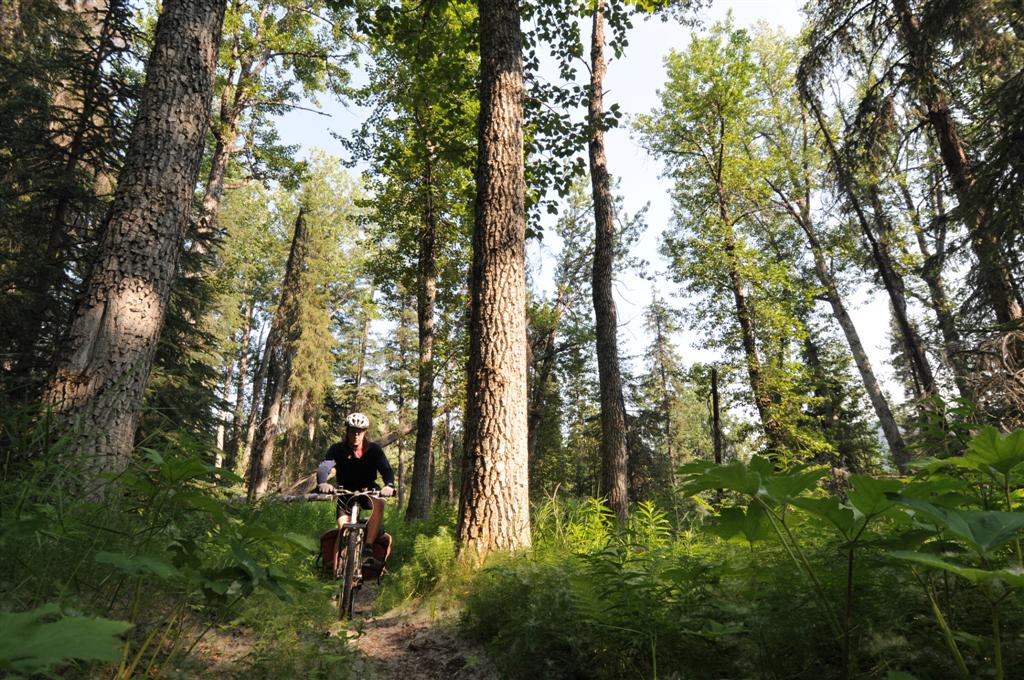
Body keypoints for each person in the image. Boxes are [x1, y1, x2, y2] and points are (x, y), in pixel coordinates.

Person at [316, 412, 394, 562]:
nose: (356, 435)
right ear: (347, 431)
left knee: (379, 502)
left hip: (367, 489)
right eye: (353, 431)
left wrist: (389, 485)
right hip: (345, 492)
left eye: (360, 431)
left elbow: (386, 469)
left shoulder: (373, 450)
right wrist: (323, 482)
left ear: (365, 432)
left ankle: (368, 547)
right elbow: (325, 466)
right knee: (343, 531)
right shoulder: (337, 449)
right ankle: (336, 570)